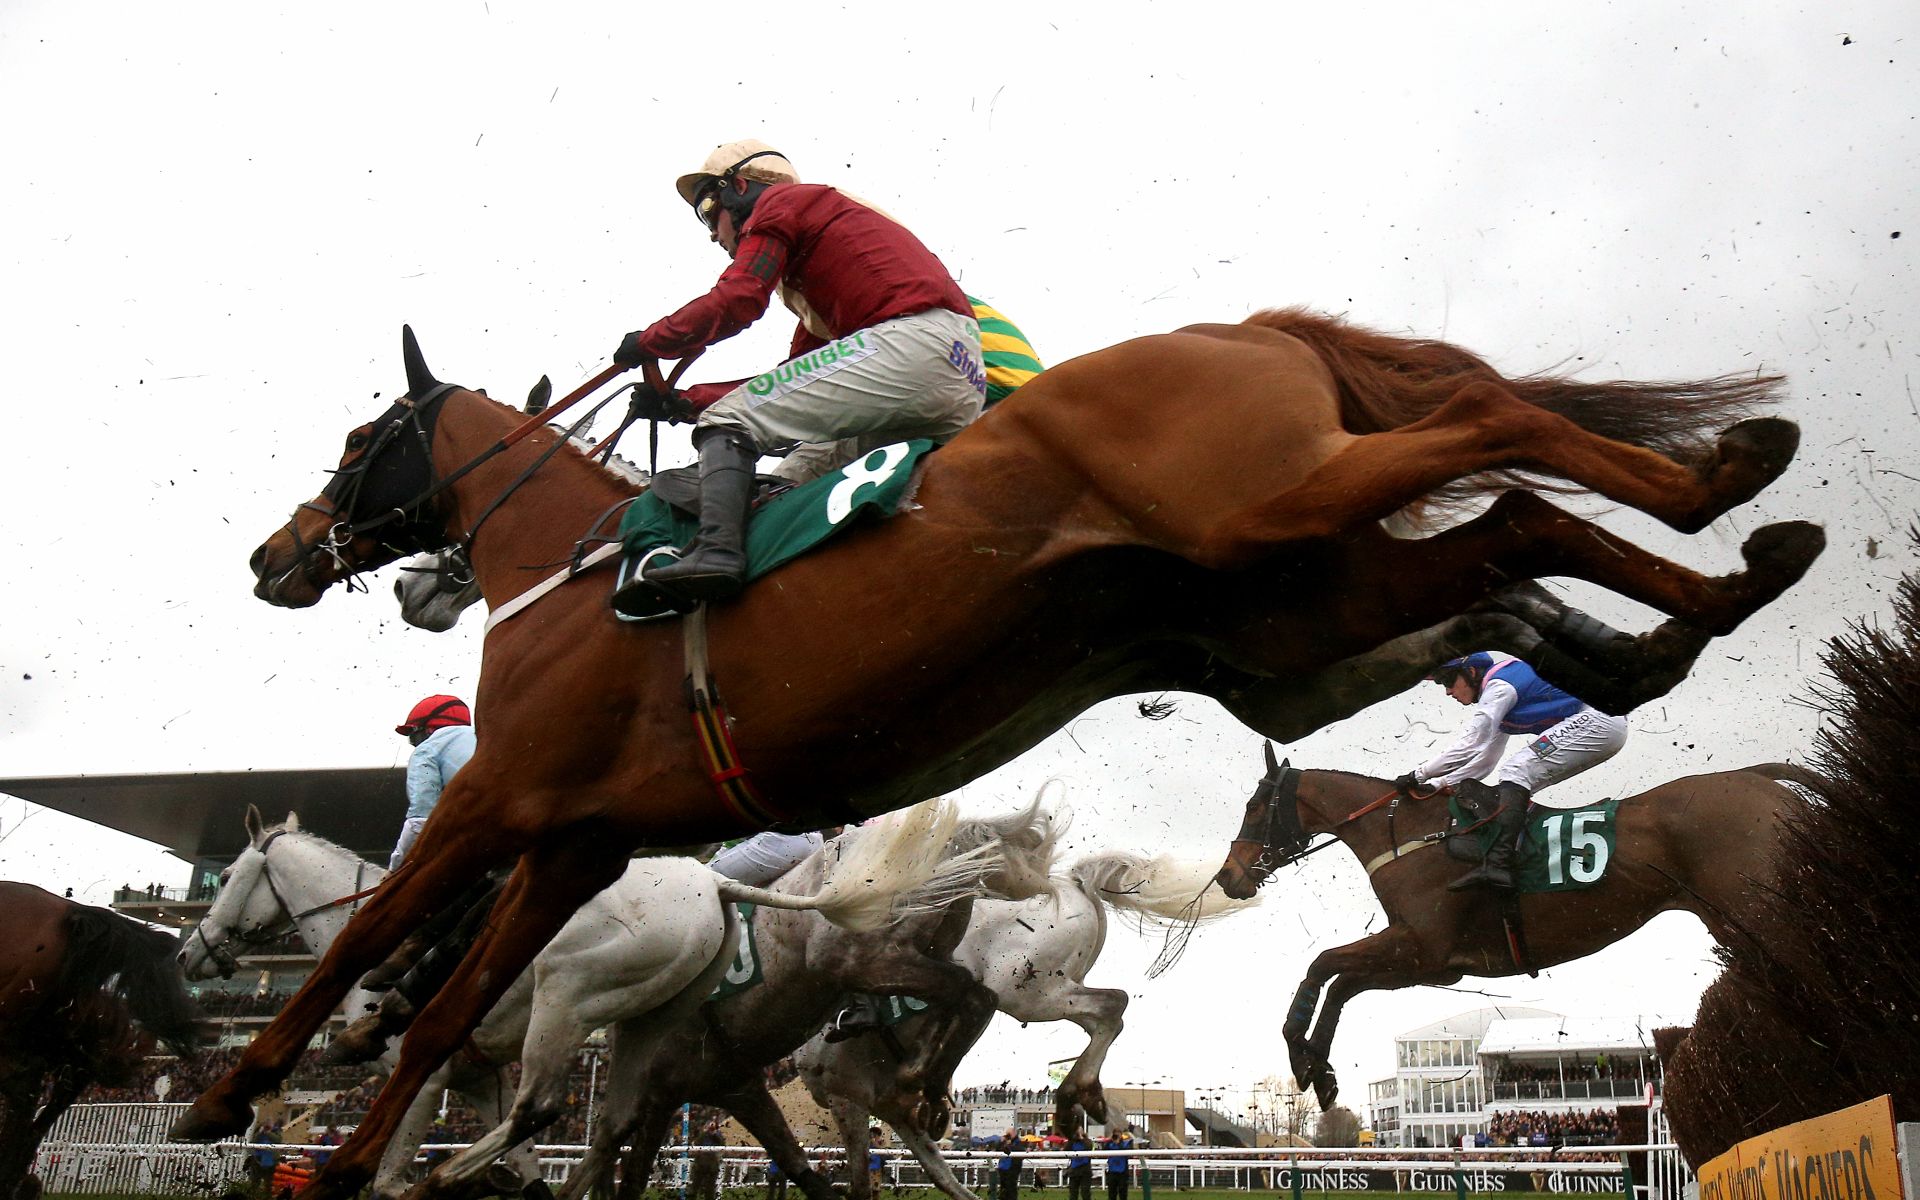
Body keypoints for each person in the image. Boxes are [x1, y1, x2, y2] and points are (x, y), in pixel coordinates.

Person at [609, 139, 988, 612]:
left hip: (912, 347)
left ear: (739, 188)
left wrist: (651, 340)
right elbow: (793, 380)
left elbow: (739, 299)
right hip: (956, 374)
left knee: (729, 421)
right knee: (791, 479)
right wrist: (685, 400)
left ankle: (716, 554)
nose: (712, 234)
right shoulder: (816, 269)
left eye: (708, 210)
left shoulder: (781, 204)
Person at [1395, 652, 1628, 892]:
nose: (1447, 691)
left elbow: (1472, 743)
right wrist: (1438, 784)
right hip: (1603, 724)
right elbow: (1485, 761)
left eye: (1448, 680)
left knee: (1516, 770)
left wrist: (1419, 774)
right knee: (1514, 782)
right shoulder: (1499, 695)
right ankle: (1520, 852)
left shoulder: (1499, 687)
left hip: (1599, 718)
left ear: (1471, 672)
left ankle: (1499, 863)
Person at [390, 694, 476, 871]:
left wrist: (394, 870)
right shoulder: (484, 738)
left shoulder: (426, 750)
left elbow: (420, 822)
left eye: (413, 737)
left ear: (428, 730)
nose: (414, 745)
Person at [1103, 1129, 1133, 1200]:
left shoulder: (1126, 1143)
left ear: (1121, 1135)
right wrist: (1110, 1140)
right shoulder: (1110, 1144)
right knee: (1111, 1193)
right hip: (1112, 1171)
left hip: (1122, 1172)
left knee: (1123, 1193)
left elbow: (1128, 1152)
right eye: (1115, 1134)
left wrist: (1118, 1143)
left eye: (1118, 1134)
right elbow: (1104, 1150)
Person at [1065, 1129, 1094, 1200]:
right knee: (1073, 1194)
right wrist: (1071, 1138)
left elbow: (1089, 1147)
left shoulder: (1088, 1141)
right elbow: (1066, 1150)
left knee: (1085, 1193)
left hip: (1085, 1171)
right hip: (1074, 1171)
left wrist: (1082, 1138)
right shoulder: (1072, 1142)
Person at [996, 1129, 1021, 1200]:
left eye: (1009, 1134)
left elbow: (1019, 1150)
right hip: (1003, 1168)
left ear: (1014, 1133)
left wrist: (1009, 1145)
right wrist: (1001, 1142)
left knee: (1011, 1188)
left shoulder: (1018, 1142)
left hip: (1012, 1169)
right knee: (1003, 1189)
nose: (1008, 1136)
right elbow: (998, 1150)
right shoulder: (1005, 1142)